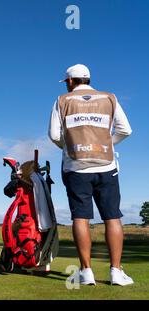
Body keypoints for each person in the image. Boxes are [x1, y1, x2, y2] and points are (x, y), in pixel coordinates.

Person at [49, 64, 133, 286]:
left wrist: (70, 148)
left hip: (76, 167)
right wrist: (104, 144)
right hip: (106, 166)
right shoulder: (109, 97)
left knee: (80, 217)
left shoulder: (62, 100)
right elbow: (126, 130)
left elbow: (53, 134)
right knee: (112, 217)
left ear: (69, 81)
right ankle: (116, 272)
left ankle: (86, 273)